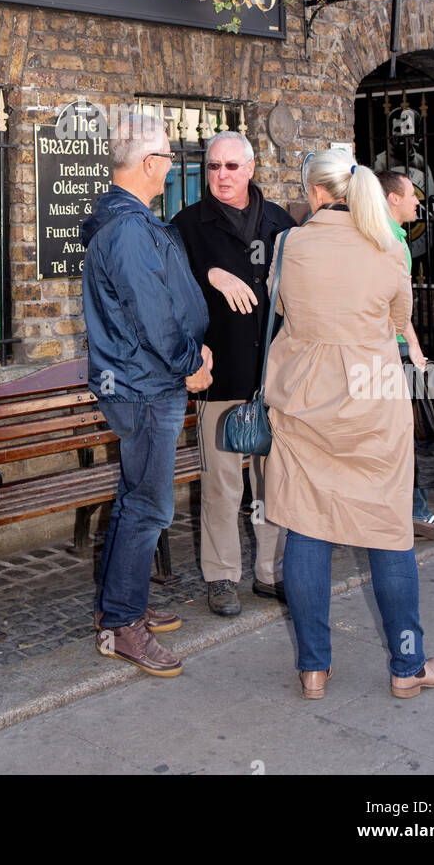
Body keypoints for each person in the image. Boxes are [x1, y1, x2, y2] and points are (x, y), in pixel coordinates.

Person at [264, 151, 434, 699]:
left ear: (315, 192)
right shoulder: (390, 249)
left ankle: (314, 668)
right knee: (389, 531)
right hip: (374, 396)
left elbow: (281, 309)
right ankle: (406, 666)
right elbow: (399, 323)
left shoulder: (289, 245)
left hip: (306, 395)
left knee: (306, 525)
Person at [80, 111, 212, 677]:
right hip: (147, 386)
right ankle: (122, 624)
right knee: (149, 505)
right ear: (148, 163)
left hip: (142, 382)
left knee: (136, 495)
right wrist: (189, 365)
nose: (172, 167)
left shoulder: (128, 220)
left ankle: (116, 605)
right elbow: (151, 314)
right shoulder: (129, 227)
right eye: (168, 157)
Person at [172, 131, 295, 615]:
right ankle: (221, 576)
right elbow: (168, 291)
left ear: (250, 169)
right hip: (217, 376)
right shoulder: (187, 225)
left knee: (273, 484)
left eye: (230, 167)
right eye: (213, 168)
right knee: (222, 485)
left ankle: (271, 572)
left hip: (272, 379)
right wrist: (211, 276)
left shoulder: (281, 224)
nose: (221, 176)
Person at [377, 169, 434, 543]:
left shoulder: (386, 236)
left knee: (406, 431)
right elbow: (396, 303)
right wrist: (413, 346)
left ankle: (410, 508)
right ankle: (415, 511)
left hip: (391, 346)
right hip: (391, 349)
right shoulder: (391, 239)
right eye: (412, 195)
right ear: (393, 198)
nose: (418, 202)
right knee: (414, 430)